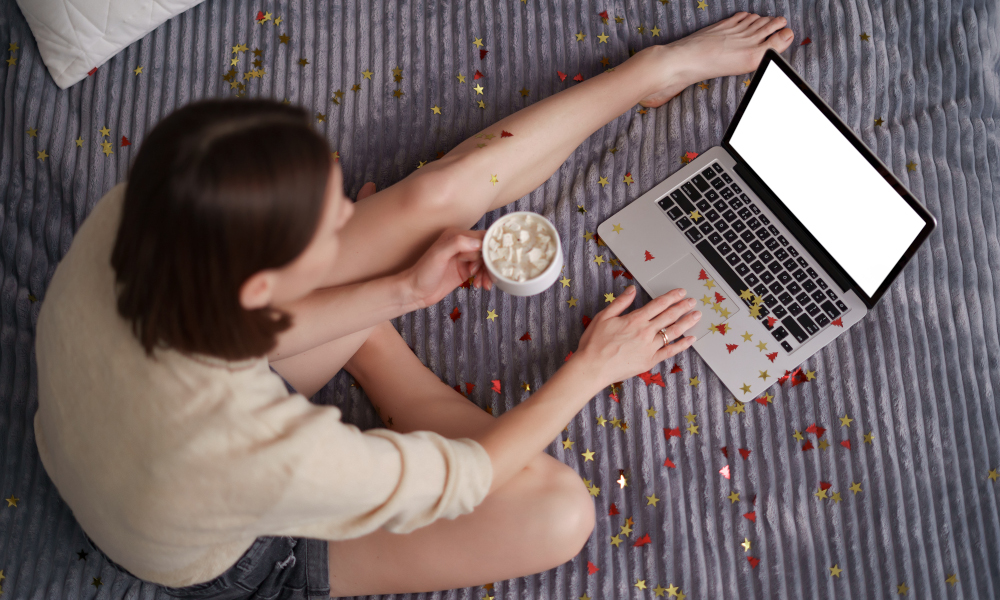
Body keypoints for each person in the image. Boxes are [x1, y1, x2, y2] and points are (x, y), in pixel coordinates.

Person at [33, 11, 794, 599]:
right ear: (260, 290)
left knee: (430, 201)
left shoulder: (139, 209)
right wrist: (594, 367)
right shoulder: (266, 447)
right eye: (329, 234)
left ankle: (651, 73)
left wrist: (400, 288)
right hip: (226, 538)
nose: (349, 220)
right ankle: (378, 353)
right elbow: (469, 478)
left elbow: (222, 337)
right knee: (560, 513)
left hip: (141, 419)